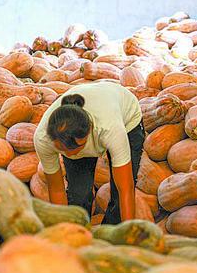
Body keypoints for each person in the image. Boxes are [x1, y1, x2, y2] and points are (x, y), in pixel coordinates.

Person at [33, 82, 144, 224]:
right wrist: (61, 228)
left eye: (78, 147)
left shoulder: (109, 128)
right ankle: (78, 230)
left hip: (127, 119)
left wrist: (130, 230)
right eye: (64, 150)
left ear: (90, 129)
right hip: (94, 111)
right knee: (79, 194)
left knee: (118, 193)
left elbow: (125, 189)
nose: (73, 155)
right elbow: (56, 190)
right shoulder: (43, 139)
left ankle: (113, 233)